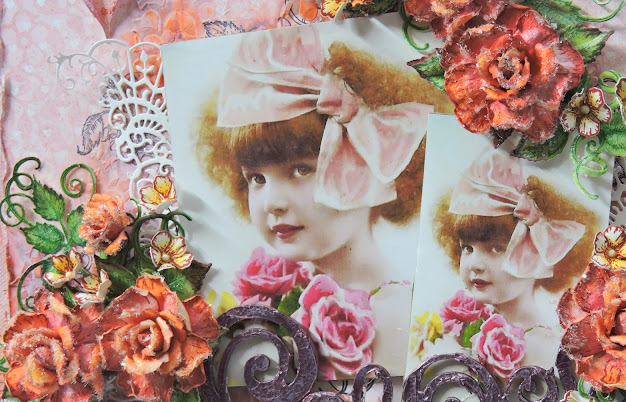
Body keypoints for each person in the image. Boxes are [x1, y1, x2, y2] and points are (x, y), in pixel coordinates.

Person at [197, 25, 452, 378]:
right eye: (256, 178)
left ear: (371, 161)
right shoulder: (269, 304)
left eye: (301, 170)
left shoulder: (398, 320)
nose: (272, 202)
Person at [433, 149, 599, 363]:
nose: (475, 264)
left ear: (538, 251)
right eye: (467, 248)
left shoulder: (543, 347)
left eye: (496, 249)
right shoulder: (460, 334)